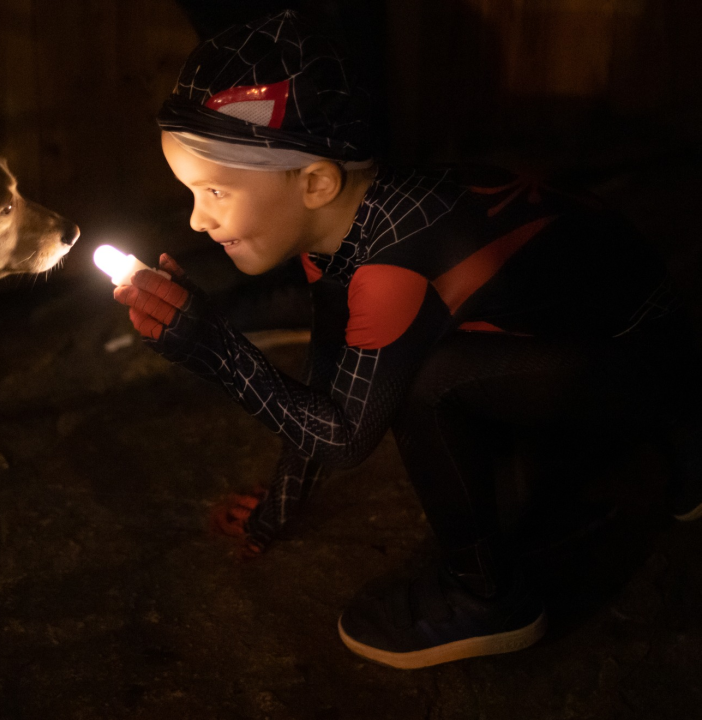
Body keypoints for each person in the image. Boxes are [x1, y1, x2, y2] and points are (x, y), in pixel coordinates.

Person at [113, 9, 702, 669]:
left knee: (425, 385)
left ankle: (486, 600)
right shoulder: (349, 228)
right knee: (426, 377)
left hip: (639, 358)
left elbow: (342, 437)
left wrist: (212, 347)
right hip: (610, 334)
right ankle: (668, 445)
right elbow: (328, 377)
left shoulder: (392, 263)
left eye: (214, 190)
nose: (197, 219)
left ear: (314, 182)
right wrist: (273, 511)